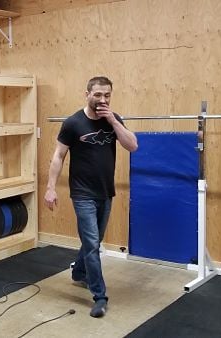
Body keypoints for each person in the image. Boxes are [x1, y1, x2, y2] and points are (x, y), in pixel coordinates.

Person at [44, 76, 138, 318]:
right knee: (94, 245)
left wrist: (113, 121)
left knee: (91, 242)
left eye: (107, 95)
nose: (102, 99)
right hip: (82, 194)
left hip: (106, 192)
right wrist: (50, 188)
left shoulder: (114, 120)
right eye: (97, 95)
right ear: (87, 94)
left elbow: (132, 145)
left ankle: (78, 273)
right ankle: (100, 296)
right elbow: (58, 157)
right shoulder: (73, 123)